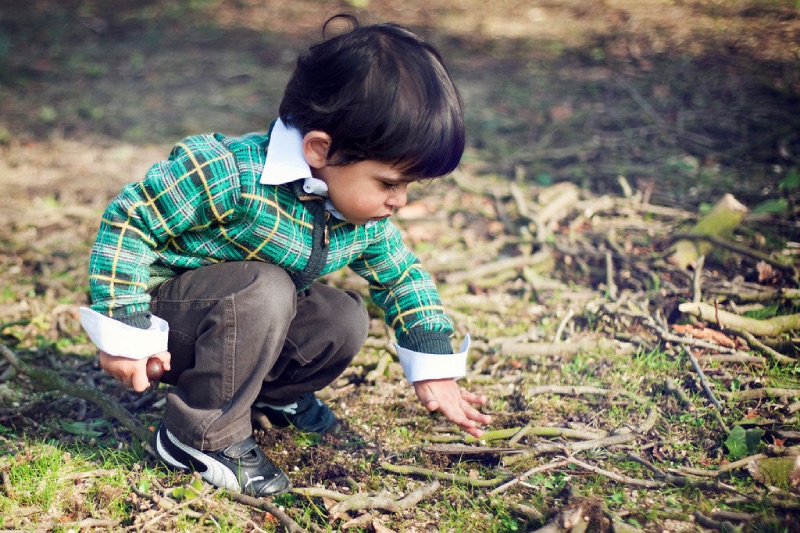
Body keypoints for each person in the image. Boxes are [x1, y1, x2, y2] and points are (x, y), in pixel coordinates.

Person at [79, 14, 491, 498]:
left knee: (342, 318)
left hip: (246, 327)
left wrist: (434, 367)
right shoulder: (231, 172)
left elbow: (403, 278)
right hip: (170, 327)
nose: (399, 201)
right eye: (388, 183)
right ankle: (199, 434)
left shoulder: (358, 217)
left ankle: (271, 398)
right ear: (320, 149)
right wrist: (126, 327)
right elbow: (131, 218)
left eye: (408, 186)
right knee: (267, 288)